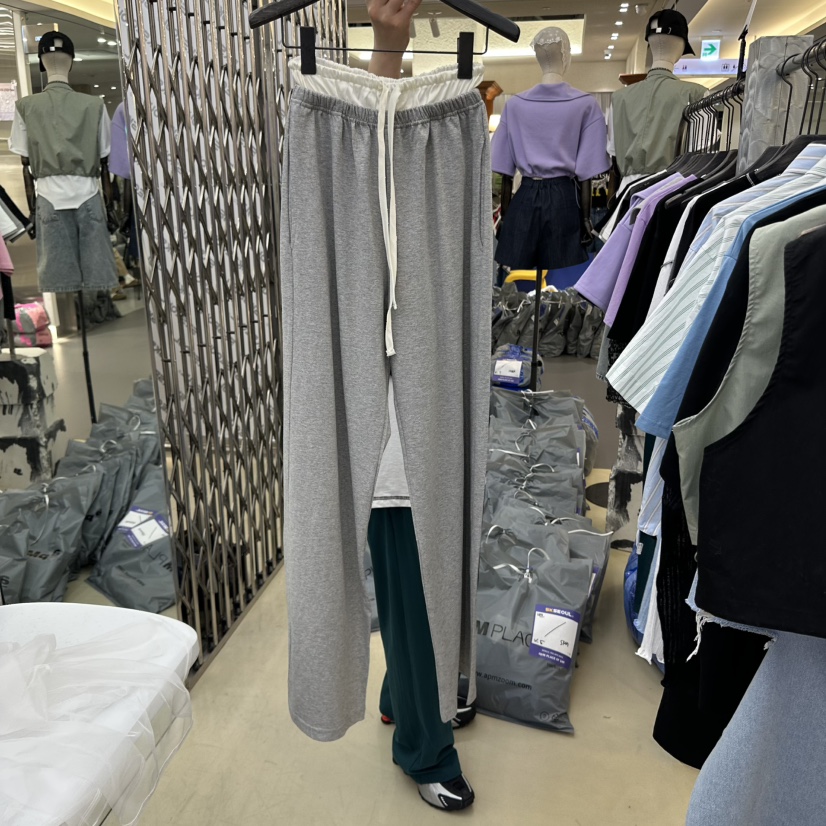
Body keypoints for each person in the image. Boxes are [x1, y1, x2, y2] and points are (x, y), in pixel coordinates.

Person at [363, 0, 476, 811]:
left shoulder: (441, 182)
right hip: (389, 417)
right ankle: (423, 748)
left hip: (424, 400)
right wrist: (388, 46)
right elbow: (369, 154)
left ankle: (403, 694)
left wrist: (392, 48)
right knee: (413, 573)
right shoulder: (351, 191)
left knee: (415, 579)